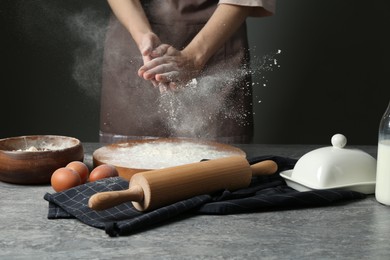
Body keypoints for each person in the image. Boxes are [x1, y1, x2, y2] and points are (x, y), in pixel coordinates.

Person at [100, 0, 276, 144]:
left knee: (214, 176)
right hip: (134, 42)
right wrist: (142, 35)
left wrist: (194, 57)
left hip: (216, 39)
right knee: (124, 171)